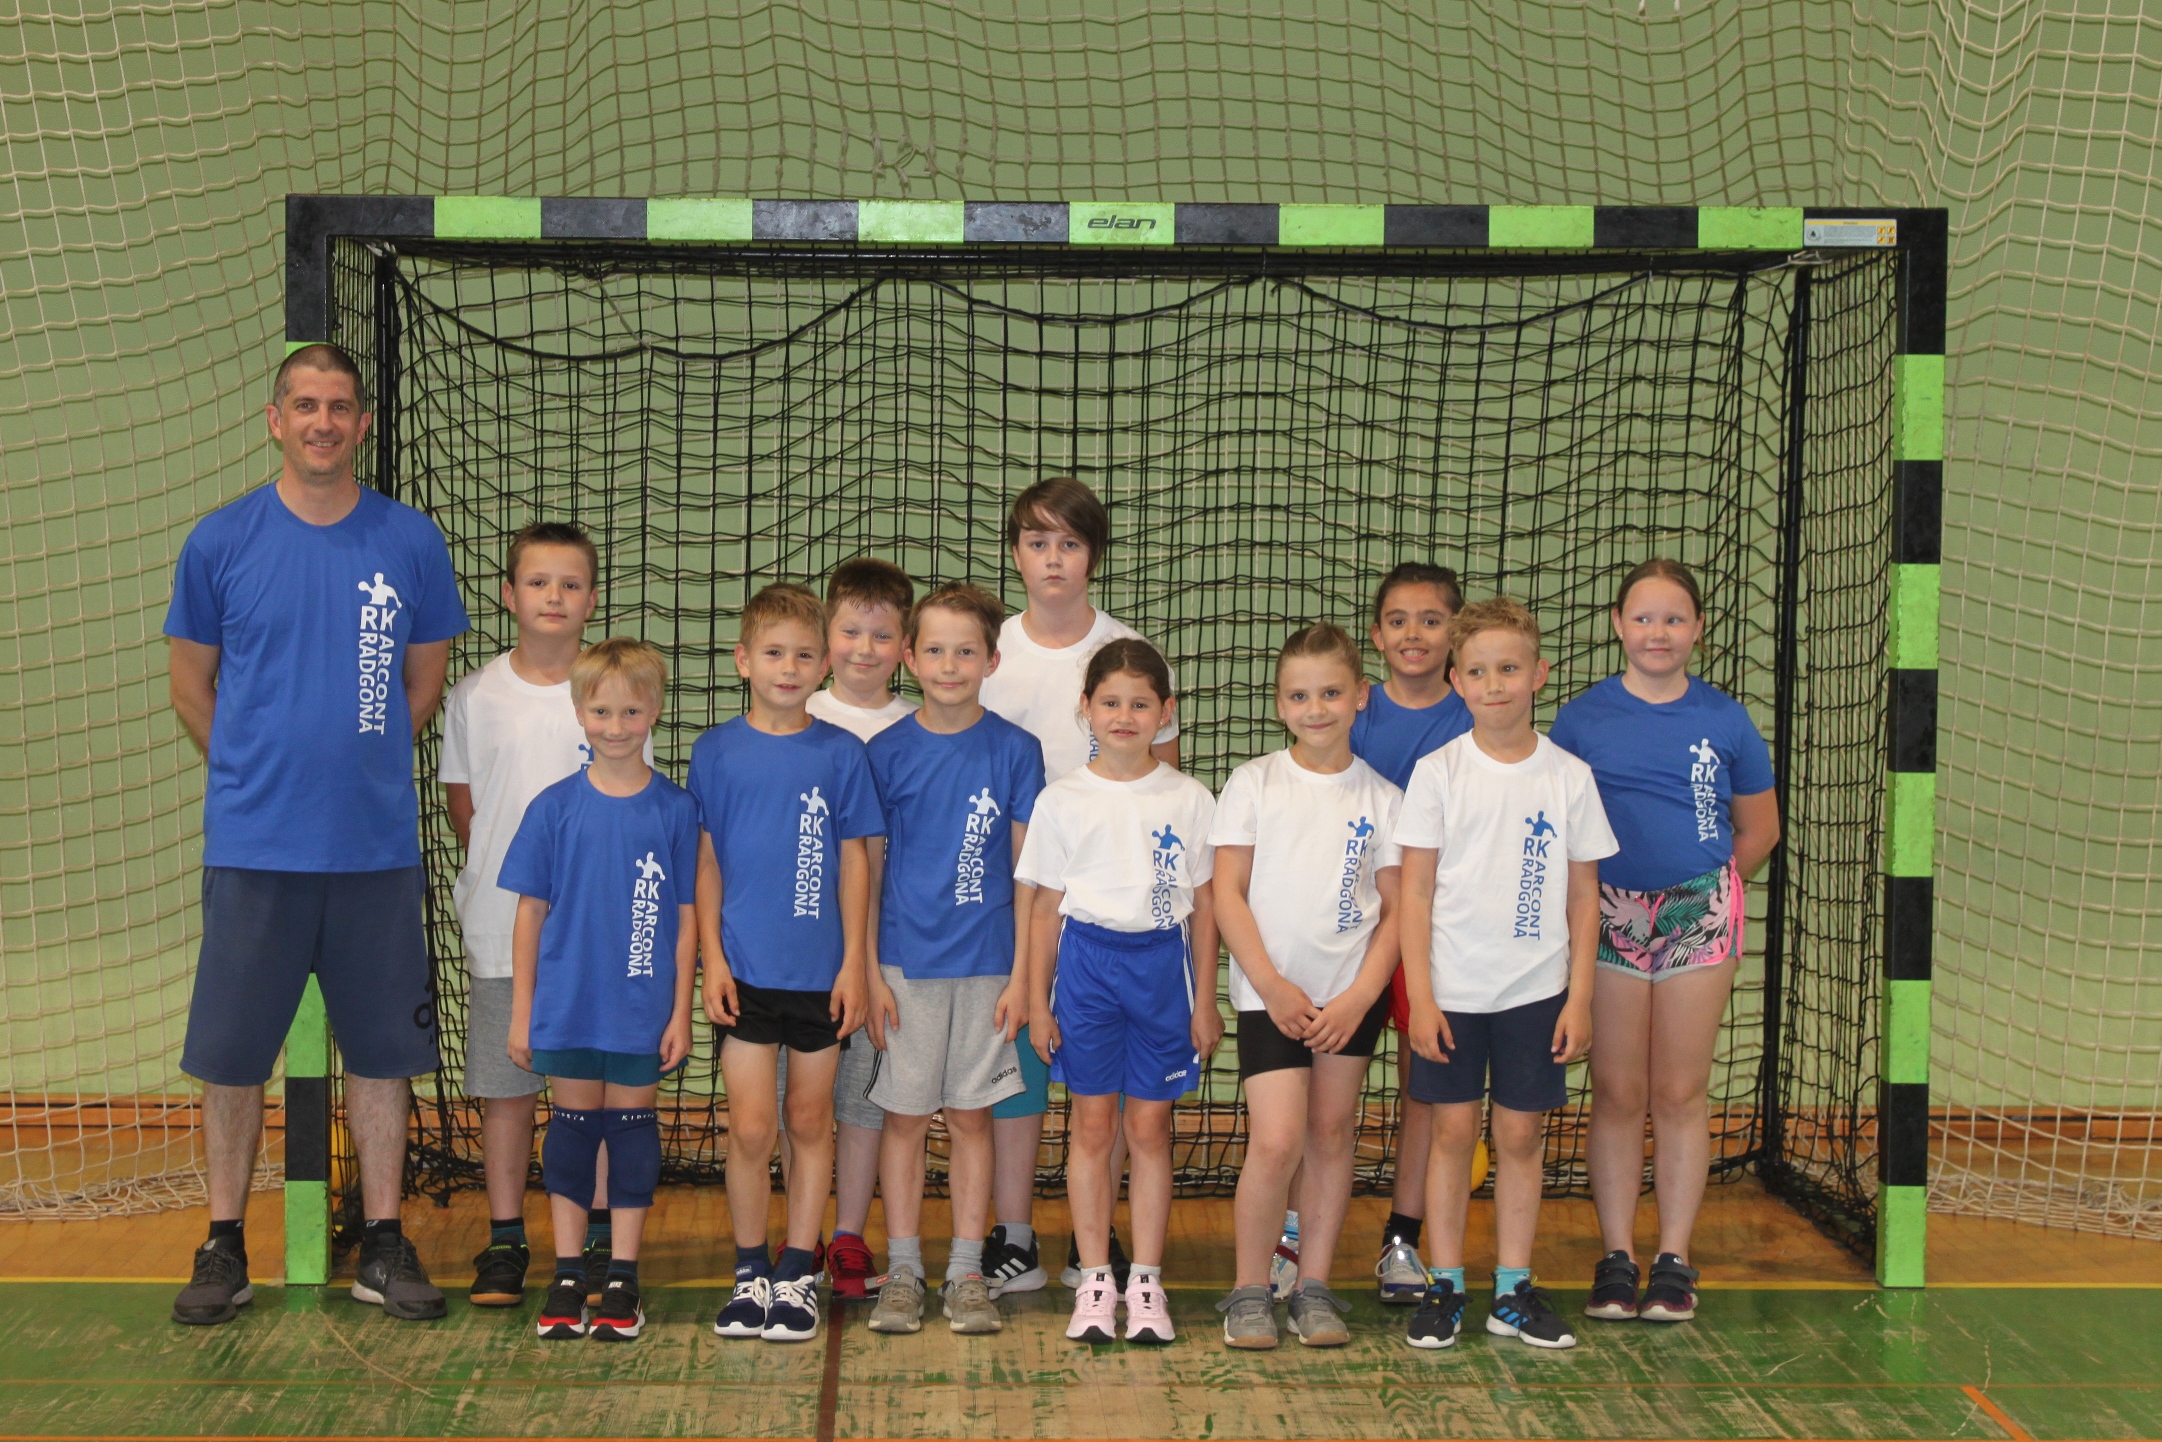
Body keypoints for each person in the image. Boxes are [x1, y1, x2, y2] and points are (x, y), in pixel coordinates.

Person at [165, 343, 468, 1327]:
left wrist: (359, 763)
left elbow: (425, 680)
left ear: (362, 424)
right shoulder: (220, 541)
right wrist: (256, 771)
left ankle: (382, 1241)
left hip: (372, 850)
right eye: (305, 405)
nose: (323, 422)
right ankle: (223, 1242)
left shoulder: (410, 541)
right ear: (276, 419)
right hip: (255, 850)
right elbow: (190, 684)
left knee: (381, 1053)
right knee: (230, 1058)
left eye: (339, 407)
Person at [1549, 559, 1779, 1325]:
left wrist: (1704, 894)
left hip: (1697, 912)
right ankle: (1617, 1258)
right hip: (1608, 914)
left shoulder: (1726, 720)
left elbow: (1759, 829)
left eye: (1674, 619)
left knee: (1678, 1091)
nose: (1658, 632)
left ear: (1698, 630)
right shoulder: (1581, 721)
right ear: (1618, 625)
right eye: (1643, 618)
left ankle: (1674, 1261)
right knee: (1617, 1091)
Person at [1396, 597, 1617, 1352]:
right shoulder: (1437, 774)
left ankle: (1513, 1290)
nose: (1495, 685)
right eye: (1479, 672)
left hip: (1536, 992)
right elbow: (1415, 894)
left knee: (1521, 1136)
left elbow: (1584, 897)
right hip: (1452, 993)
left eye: (1509, 669)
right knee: (1453, 1134)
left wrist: (1579, 997)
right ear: (1457, 681)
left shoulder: (1569, 777)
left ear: (1539, 674)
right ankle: (1446, 1285)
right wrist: (1421, 997)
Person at [979, 476, 1176, 1295]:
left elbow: (1163, 783)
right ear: (1016, 553)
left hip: (1109, 913)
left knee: (1111, 1084)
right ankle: (1015, 1232)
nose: (1053, 558)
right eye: (1037, 542)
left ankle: (1102, 1237)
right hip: (1010, 892)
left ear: (1093, 555)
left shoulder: (1126, 651)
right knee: (1021, 1053)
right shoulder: (990, 651)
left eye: (1069, 543)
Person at [442, 522, 638, 1310]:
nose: (553, 596)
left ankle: (594, 1235)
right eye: (537, 582)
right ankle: (505, 1239)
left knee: (592, 1092)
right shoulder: (474, 696)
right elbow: (466, 808)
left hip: (596, 937)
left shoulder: (609, 696)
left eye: (570, 583)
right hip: (503, 928)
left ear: (591, 599)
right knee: (508, 1090)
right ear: (508, 595)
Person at [691, 583, 879, 1344]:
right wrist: (712, 959)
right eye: (774, 653)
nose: (789, 668)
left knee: (809, 1119)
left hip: (820, 978)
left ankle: (798, 1270)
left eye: (805, 655)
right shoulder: (715, 751)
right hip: (744, 973)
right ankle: (749, 1271)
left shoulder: (841, 753)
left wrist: (854, 965)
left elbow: (856, 862)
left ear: (824, 664)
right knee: (749, 1127)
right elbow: (706, 861)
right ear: (744, 660)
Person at [1019, 639, 1219, 1346]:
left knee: (1150, 1130)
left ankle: (1148, 1282)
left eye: (1140, 703)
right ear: (1086, 709)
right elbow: (1044, 909)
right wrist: (1038, 1001)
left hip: (1162, 969)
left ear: (1166, 712)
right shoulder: (1062, 800)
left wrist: (1205, 1001)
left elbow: (1205, 908)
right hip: (1087, 969)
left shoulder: (1191, 799)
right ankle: (1096, 1279)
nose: (1124, 716)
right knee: (1093, 1126)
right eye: (1110, 702)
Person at [1212, 625, 1405, 1351]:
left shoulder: (1385, 798)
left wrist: (1359, 997)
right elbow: (1227, 892)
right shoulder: (1254, 783)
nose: (1315, 708)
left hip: (1349, 999)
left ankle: (1313, 1286)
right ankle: (1249, 1291)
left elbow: (1398, 911)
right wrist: (1269, 983)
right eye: (1299, 695)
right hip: (1273, 996)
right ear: (1278, 704)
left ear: (1360, 696)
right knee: (1277, 1140)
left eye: (1330, 692)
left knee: (1330, 1134)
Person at [860, 584, 1045, 1337]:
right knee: (904, 1120)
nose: (949, 664)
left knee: (972, 1118)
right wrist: (868, 972)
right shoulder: (885, 752)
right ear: (909, 657)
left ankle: (967, 1272)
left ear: (991, 660)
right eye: (934, 649)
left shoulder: (1016, 751)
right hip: (904, 966)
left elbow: (1029, 875)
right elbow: (867, 868)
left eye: (965, 651)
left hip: (989, 967)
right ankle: (904, 1270)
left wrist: (1025, 976)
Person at [503, 640, 698, 1341]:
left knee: (633, 1135)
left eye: (631, 712)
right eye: (602, 711)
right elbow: (529, 913)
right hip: (569, 1005)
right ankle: (565, 1274)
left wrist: (680, 1012)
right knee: (572, 1136)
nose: (616, 726)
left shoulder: (676, 809)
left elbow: (687, 918)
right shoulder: (553, 808)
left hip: (641, 1007)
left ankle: (622, 1276)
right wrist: (523, 1013)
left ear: (655, 712)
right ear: (580, 712)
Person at [1348, 562, 1471, 1305]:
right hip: (1349, 928)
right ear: (1377, 635)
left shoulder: (1475, 712)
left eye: (1431, 619)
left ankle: (1403, 1240)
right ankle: (1291, 1238)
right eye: (1398, 620)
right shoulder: (1354, 708)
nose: (1414, 633)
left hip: (1438, 931)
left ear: (1455, 631)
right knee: (1325, 1089)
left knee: (1424, 1087)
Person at [798, 557, 919, 1301]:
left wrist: (870, 961)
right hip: (797, 948)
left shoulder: (917, 726)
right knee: (800, 1101)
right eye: (849, 632)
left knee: (865, 1096)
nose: (864, 649)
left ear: (905, 647)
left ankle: (848, 1233)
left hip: (885, 947)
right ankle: (802, 1232)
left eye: (881, 636)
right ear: (826, 636)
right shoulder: (796, 710)